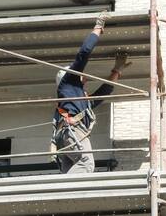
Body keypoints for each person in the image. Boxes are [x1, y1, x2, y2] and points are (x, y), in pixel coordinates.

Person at [51, 11, 131, 174]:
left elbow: (104, 92)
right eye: (82, 76)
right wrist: (98, 26)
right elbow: (84, 53)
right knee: (86, 164)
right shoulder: (68, 83)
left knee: (71, 173)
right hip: (71, 132)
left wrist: (117, 70)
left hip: (65, 138)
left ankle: (65, 196)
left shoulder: (78, 99)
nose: (85, 78)